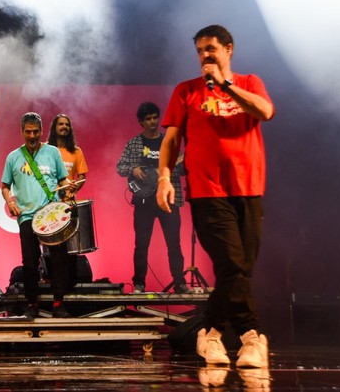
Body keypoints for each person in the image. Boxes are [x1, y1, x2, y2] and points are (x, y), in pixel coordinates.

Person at [156, 24, 275, 369]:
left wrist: (225, 85)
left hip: (249, 189)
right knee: (232, 264)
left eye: (211, 49)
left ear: (229, 49)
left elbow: (264, 112)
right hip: (208, 191)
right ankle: (253, 336)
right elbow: (171, 140)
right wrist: (165, 178)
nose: (204, 56)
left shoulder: (250, 83)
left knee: (240, 269)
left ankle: (210, 332)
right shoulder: (186, 91)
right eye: (199, 51)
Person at [1, 112, 75, 319]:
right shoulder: (13, 157)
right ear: (22, 132)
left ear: (42, 131)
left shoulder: (52, 152)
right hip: (26, 216)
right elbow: (5, 186)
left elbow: (62, 180)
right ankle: (32, 304)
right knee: (30, 261)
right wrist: (10, 202)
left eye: (35, 131)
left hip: (51, 214)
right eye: (28, 132)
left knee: (59, 259)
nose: (32, 135)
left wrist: (68, 189)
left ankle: (58, 303)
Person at [116, 102, 188, 294]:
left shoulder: (169, 142)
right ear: (141, 122)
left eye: (155, 117)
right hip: (144, 202)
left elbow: (182, 169)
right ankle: (139, 283)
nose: (153, 122)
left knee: (174, 243)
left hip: (168, 200)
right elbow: (120, 167)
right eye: (148, 119)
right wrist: (133, 168)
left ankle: (180, 283)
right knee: (141, 245)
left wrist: (184, 160)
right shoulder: (133, 144)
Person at [46, 114, 88, 194]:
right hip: (48, 201)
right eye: (61, 124)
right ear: (54, 128)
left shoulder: (76, 151)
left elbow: (82, 176)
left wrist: (74, 189)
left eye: (67, 125)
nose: (64, 126)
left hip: (68, 201)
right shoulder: (45, 149)